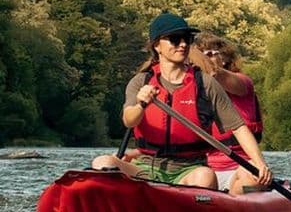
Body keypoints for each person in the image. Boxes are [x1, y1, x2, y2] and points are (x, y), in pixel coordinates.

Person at [92, 12, 272, 189]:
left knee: (204, 176)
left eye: (187, 38)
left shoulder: (205, 83)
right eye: (175, 39)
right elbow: (129, 120)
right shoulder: (140, 81)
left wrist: (259, 164)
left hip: (188, 170)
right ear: (157, 45)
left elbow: (239, 128)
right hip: (146, 167)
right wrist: (141, 104)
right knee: (102, 162)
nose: (183, 44)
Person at [190, 32, 264, 195]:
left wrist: (189, 47)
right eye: (203, 55)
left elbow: (213, 71)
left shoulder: (242, 82)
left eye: (210, 54)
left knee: (251, 178)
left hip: (239, 168)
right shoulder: (191, 89)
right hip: (204, 169)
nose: (204, 59)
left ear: (224, 59)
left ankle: (233, 200)